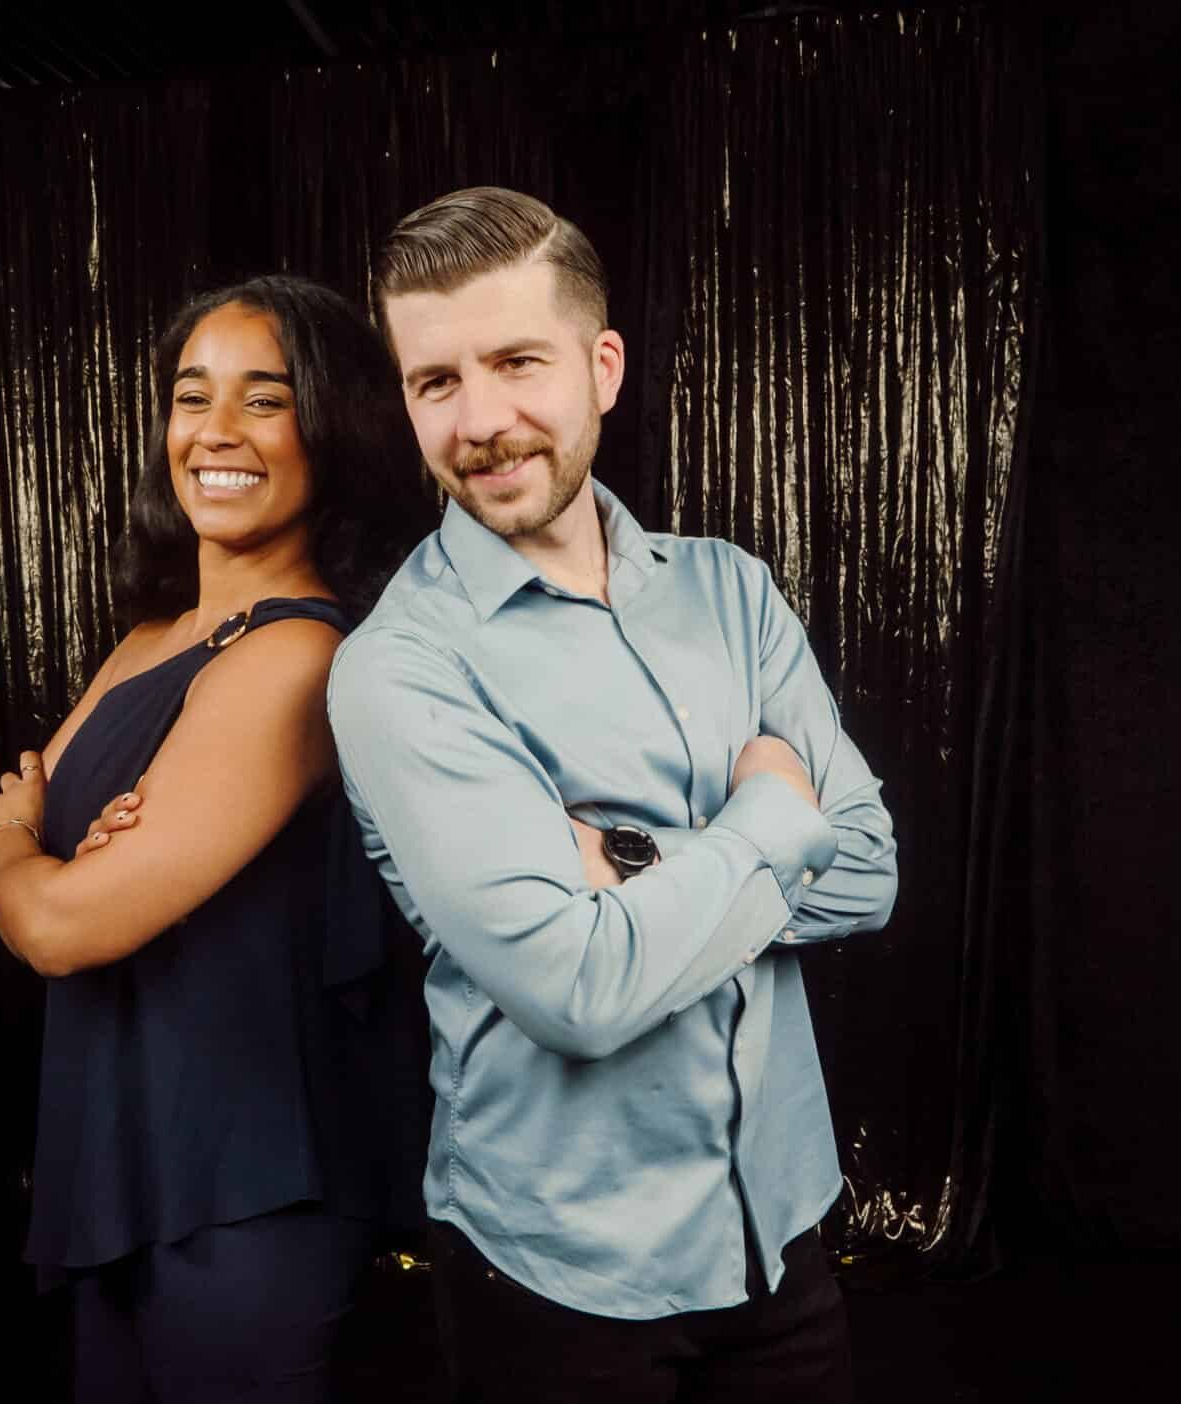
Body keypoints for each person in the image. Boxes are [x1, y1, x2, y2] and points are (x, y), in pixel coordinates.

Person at [326, 187, 900, 1402]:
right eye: (435, 381)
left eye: (516, 362)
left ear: (601, 367)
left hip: (779, 1231)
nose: (479, 420)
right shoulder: (399, 667)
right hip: (556, 1278)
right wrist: (759, 826)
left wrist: (623, 867)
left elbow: (864, 865)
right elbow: (578, 990)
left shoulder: (731, 592)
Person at [0, 274, 430, 1403]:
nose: (214, 433)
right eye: (191, 396)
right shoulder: (151, 639)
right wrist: (50, 853)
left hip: (248, 1170)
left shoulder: (299, 658)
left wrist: (11, 850)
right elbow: (48, 853)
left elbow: (56, 921)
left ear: (332, 430)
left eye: (263, 400)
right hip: (120, 1146)